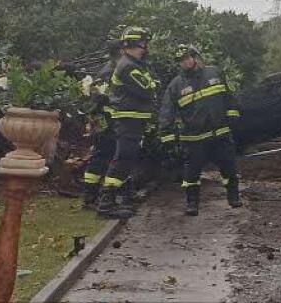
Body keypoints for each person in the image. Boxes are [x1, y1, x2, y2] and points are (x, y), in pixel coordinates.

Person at [158, 44, 243, 216]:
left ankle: (233, 197)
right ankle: (192, 203)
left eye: (188, 57)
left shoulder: (215, 73)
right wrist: (167, 137)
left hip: (220, 133)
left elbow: (229, 97)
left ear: (195, 57)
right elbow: (167, 112)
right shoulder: (175, 86)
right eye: (182, 60)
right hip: (194, 139)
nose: (186, 62)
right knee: (191, 174)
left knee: (229, 168)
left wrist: (233, 114)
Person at [98, 26, 158, 219]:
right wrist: (153, 84)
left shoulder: (134, 64)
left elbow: (151, 85)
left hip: (133, 119)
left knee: (126, 159)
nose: (145, 47)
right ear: (132, 44)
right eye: (143, 43)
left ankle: (118, 198)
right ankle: (106, 204)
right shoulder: (129, 67)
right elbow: (149, 89)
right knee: (122, 159)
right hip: (128, 119)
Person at [80, 39, 121, 209]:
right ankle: (90, 197)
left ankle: (92, 196)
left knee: (104, 155)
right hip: (105, 120)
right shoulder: (110, 72)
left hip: (103, 119)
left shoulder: (109, 69)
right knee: (102, 155)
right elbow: (102, 99)